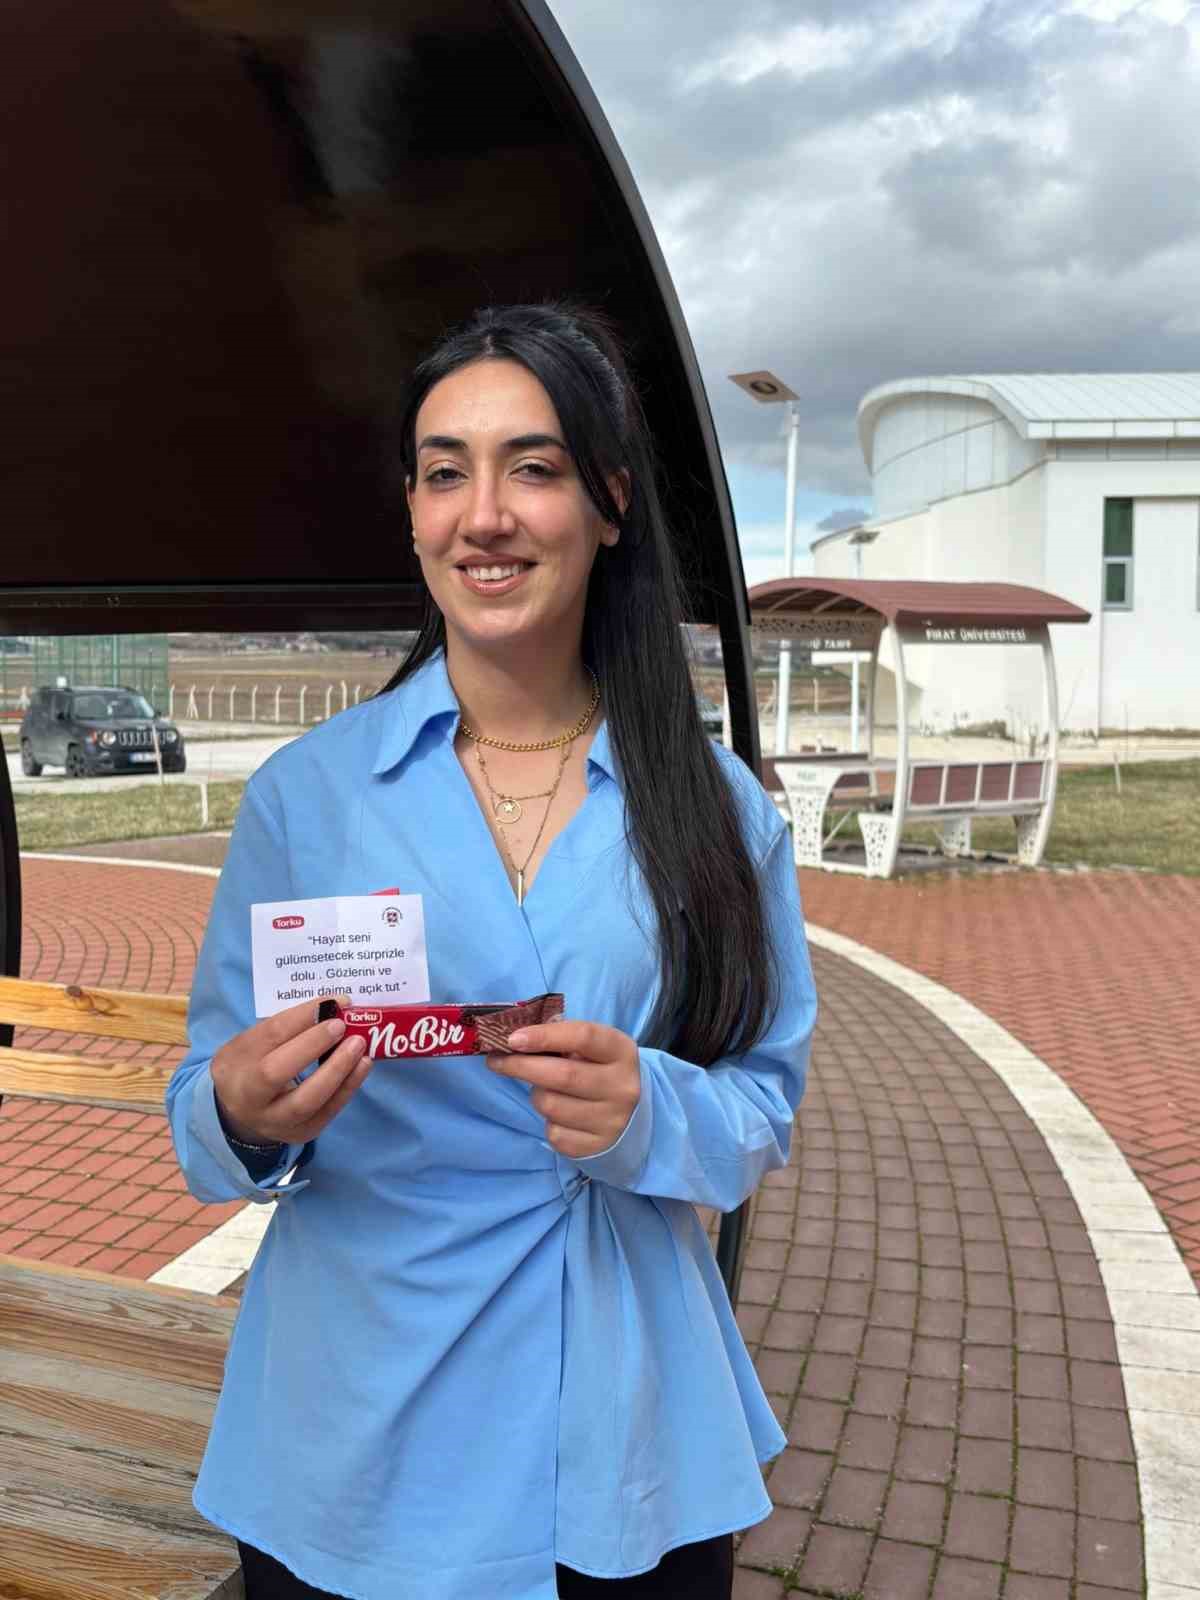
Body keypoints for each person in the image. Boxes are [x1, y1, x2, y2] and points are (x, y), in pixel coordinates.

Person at [166, 302, 817, 1600]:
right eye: (444, 473)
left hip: (625, 1434)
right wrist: (243, 1109)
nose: (485, 517)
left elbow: (762, 1105)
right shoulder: (308, 795)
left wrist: (650, 1110)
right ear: (412, 512)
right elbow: (204, 1110)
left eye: (534, 467)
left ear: (610, 503)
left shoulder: (720, 810)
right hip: (356, 1417)